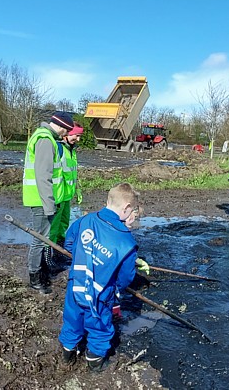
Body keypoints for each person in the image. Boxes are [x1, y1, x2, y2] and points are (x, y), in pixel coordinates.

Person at [58, 182, 148, 372]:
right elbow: (125, 278)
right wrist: (116, 289)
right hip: (100, 295)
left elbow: (70, 243)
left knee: (72, 320)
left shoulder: (85, 220)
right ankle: (95, 363)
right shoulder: (126, 241)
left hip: (76, 284)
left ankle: (68, 353)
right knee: (100, 328)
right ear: (127, 208)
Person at [23, 111, 74, 294]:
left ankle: (42, 271)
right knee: (39, 240)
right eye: (66, 131)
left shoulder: (48, 138)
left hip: (42, 199)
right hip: (41, 200)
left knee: (42, 238)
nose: (66, 135)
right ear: (60, 126)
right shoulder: (45, 139)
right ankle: (35, 278)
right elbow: (43, 177)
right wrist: (49, 205)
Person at [50, 125, 84, 248]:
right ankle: (49, 252)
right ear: (68, 134)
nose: (78, 139)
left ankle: (59, 247)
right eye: (77, 135)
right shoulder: (58, 148)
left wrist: (77, 191)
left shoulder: (71, 150)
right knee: (53, 226)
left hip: (66, 195)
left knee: (63, 223)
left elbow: (72, 173)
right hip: (57, 195)